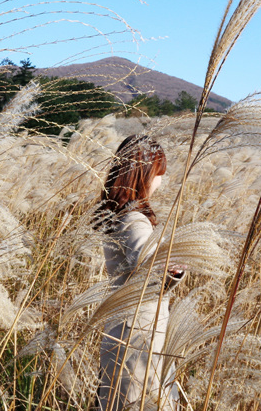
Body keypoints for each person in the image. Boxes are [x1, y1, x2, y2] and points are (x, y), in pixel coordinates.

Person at [95, 134, 186, 411]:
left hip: (123, 328)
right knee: (139, 401)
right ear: (143, 174)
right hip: (139, 335)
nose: (161, 181)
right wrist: (175, 271)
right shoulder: (135, 220)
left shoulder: (118, 213)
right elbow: (151, 274)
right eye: (159, 174)